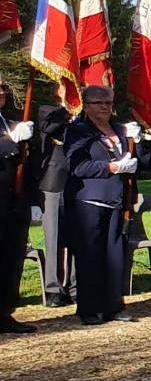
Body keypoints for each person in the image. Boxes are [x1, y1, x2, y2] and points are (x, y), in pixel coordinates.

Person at [65, 86, 147, 324]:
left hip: (117, 199)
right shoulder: (78, 131)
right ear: (86, 105)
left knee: (115, 254)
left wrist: (138, 142)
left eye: (109, 103)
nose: (105, 107)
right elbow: (76, 166)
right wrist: (110, 168)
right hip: (88, 200)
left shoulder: (120, 130)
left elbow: (144, 162)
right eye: (99, 103)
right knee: (90, 255)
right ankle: (90, 309)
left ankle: (114, 305)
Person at [0, 73, 35, 333]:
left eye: (2, 88)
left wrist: (32, 200)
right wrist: (10, 140)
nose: (1, 93)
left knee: (12, 257)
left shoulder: (8, 122)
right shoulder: (10, 130)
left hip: (14, 200)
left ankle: (4, 311)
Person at [34, 103, 73, 307]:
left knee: (78, 235)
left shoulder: (85, 114)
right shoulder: (47, 110)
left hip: (78, 180)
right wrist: (68, 108)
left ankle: (75, 286)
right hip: (53, 180)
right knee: (54, 236)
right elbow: (48, 127)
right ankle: (53, 288)